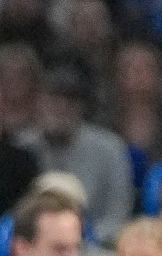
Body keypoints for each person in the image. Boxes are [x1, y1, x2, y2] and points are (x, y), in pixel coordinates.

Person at [22, 68, 133, 238]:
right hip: (33, 246)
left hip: (95, 248)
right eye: (53, 99)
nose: (61, 107)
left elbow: (117, 215)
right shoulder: (21, 147)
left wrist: (84, 239)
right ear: (37, 102)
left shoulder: (109, 148)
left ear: (81, 106)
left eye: (69, 100)